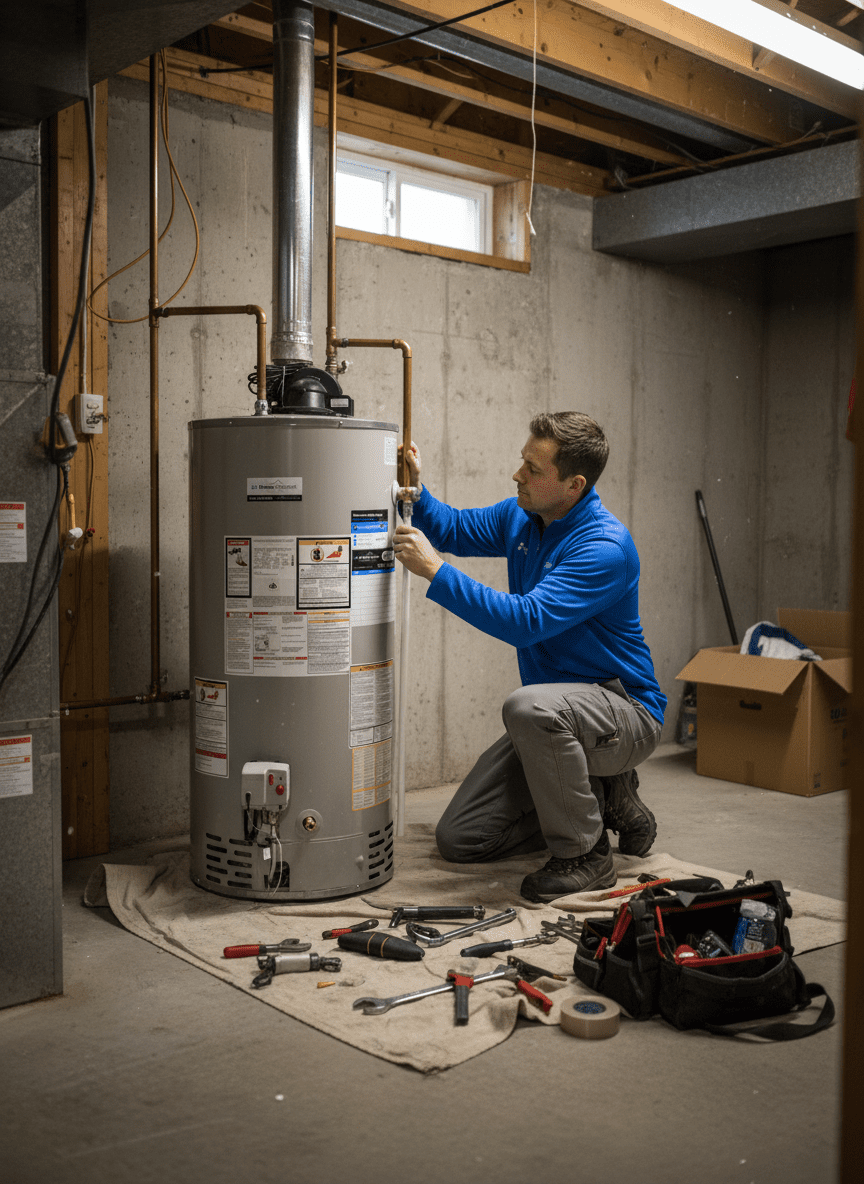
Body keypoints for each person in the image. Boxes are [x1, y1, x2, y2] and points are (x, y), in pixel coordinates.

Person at [392, 411, 666, 903]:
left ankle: (586, 855)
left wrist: (435, 571)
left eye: (533, 469)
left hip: (624, 713)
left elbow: (525, 620)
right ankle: (604, 798)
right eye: (523, 461)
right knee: (462, 838)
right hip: (560, 716)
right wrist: (417, 489)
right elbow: (452, 529)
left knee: (527, 707)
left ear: (573, 486)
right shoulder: (522, 516)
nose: (517, 474)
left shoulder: (604, 547)